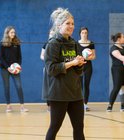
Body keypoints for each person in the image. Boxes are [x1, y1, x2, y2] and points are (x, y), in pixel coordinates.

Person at [42, 7, 86, 140]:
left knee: (79, 127)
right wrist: (72, 63)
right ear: (59, 25)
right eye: (68, 23)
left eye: (72, 24)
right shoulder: (53, 44)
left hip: (75, 93)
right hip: (58, 93)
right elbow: (51, 69)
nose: (71, 26)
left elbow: (79, 71)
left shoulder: (74, 44)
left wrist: (79, 64)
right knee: (55, 127)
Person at [0, 26, 28, 113]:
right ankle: (8, 106)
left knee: (19, 86)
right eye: (11, 32)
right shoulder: (2, 43)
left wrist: (18, 66)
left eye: (14, 32)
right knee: (6, 87)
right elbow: (0, 57)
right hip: (5, 69)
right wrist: (8, 67)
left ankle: (22, 106)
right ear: (7, 33)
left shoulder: (16, 43)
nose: (13, 34)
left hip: (15, 69)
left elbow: (19, 57)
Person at [78, 27, 96, 111]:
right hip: (79, 66)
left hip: (88, 66)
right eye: (82, 33)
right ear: (80, 34)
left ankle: (85, 104)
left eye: (85, 33)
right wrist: (81, 59)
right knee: (79, 85)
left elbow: (94, 56)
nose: (84, 34)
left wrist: (87, 57)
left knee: (86, 85)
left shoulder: (91, 43)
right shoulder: (76, 43)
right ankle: (79, 103)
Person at [107, 32, 124, 112]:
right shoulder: (113, 48)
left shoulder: (123, 47)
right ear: (118, 39)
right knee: (117, 87)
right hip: (117, 70)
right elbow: (121, 58)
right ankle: (110, 106)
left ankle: (122, 106)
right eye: (123, 37)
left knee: (123, 88)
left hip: (123, 69)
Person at [40, 29, 55, 112]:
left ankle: (56, 104)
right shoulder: (46, 44)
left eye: (54, 33)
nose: (52, 35)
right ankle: (49, 105)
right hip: (48, 68)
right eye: (51, 33)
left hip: (56, 68)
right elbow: (41, 56)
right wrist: (48, 59)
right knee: (47, 86)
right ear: (49, 34)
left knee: (55, 86)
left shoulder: (57, 44)